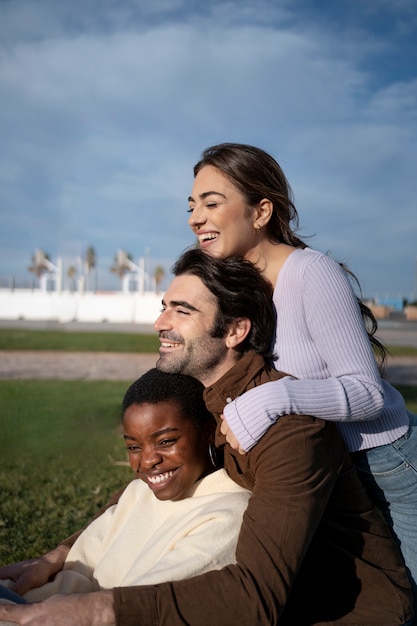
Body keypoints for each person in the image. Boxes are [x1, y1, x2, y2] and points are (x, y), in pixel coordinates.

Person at [0, 248, 413, 625]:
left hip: (345, 614)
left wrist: (95, 610)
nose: (160, 322)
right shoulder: (203, 394)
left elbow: (256, 598)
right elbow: (138, 494)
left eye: (181, 311)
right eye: (164, 308)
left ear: (235, 331)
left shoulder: (290, 430)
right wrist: (58, 557)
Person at [187, 142, 417, 615]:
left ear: (261, 212)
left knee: (410, 598)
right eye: (192, 206)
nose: (195, 217)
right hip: (321, 465)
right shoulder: (235, 285)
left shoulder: (312, 273)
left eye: (211, 203)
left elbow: (367, 392)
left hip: (386, 462)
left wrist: (275, 398)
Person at [0, 368, 250, 605]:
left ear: (208, 431)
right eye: (133, 447)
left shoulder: (229, 515)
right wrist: (19, 600)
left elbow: (138, 608)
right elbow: (78, 573)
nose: (148, 460)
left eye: (165, 441)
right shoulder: (138, 492)